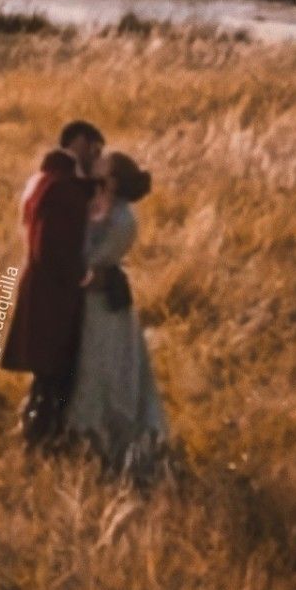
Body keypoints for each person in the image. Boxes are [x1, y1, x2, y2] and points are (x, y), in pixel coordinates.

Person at [63, 150, 168, 475]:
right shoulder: (99, 206)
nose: (94, 167)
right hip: (90, 302)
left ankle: (109, 442)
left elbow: (93, 260)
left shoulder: (124, 220)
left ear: (111, 181)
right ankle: (84, 438)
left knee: (106, 369)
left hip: (104, 308)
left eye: (101, 168)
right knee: (91, 367)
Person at [0, 118, 104, 447]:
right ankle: (42, 442)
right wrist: (81, 278)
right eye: (94, 148)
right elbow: (52, 246)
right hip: (55, 295)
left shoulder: (44, 180)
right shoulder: (59, 188)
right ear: (80, 143)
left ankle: (36, 436)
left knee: (46, 376)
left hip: (42, 288)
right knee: (56, 375)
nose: (96, 157)